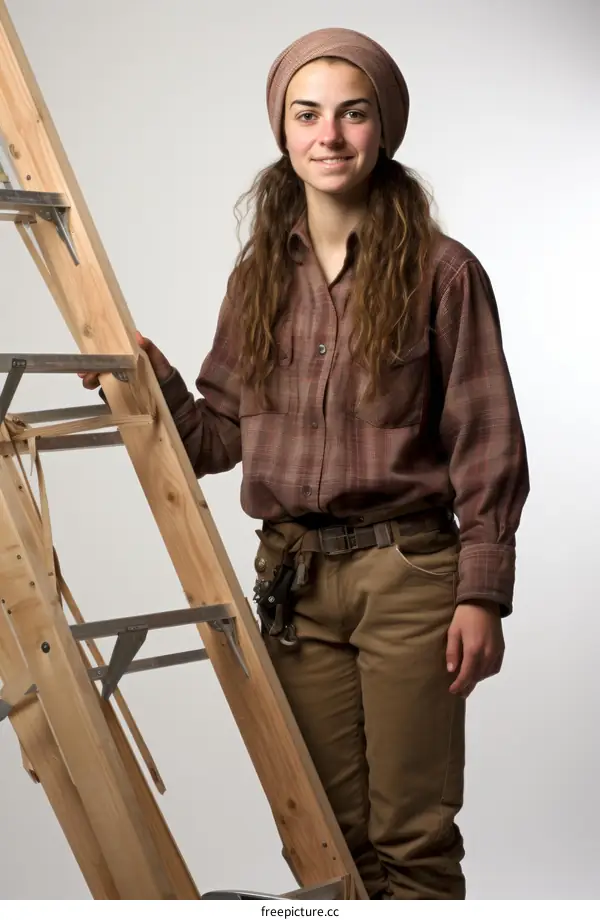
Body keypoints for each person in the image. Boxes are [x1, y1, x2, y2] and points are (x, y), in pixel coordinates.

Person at [80, 27, 529, 900]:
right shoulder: (257, 280)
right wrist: (150, 380)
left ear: (384, 129)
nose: (329, 135)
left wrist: (482, 591)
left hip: (410, 577)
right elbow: (215, 439)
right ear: (283, 131)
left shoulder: (444, 275)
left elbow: (488, 440)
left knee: (414, 839)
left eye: (353, 114)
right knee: (327, 843)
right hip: (293, 584)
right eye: (308, 113)